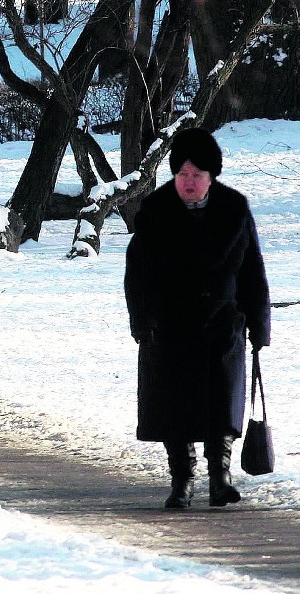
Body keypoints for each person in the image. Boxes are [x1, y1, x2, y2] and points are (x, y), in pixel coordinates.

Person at [124, 127, 271, 509]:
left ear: (212, 177)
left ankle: (220, 480)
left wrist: (259, 325)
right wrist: (142, 322)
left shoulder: (235, 209)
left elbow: (253, 271)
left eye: (197, 175)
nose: (188, 182)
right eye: (182, 175)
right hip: (168, 327)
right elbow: (136, 273)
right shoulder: (155, 212)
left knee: (221, 405)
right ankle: (182, 481)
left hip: (222, 325)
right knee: (174, 407)